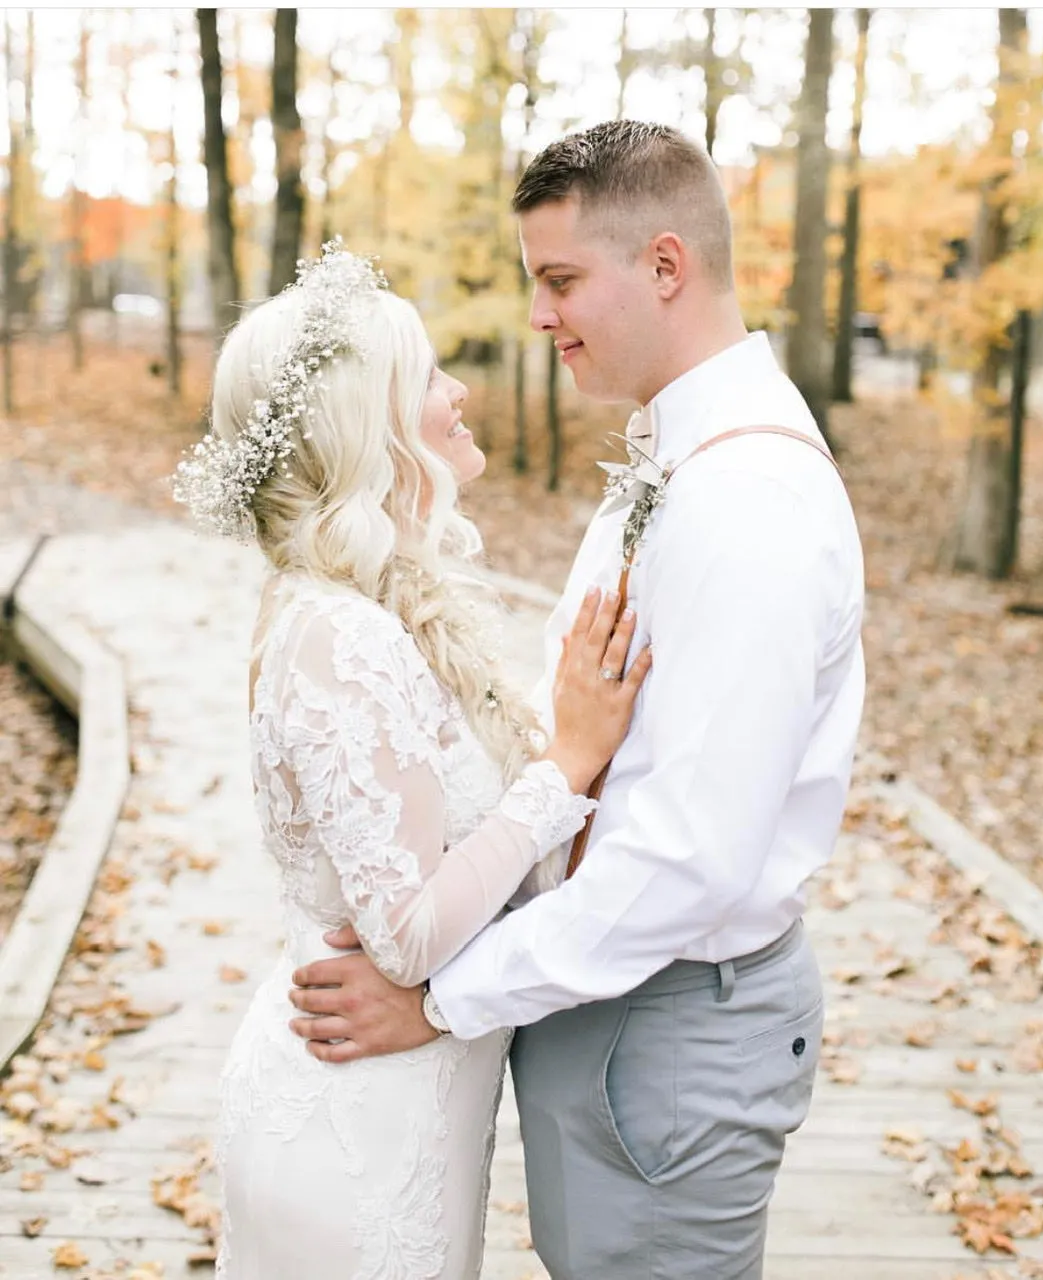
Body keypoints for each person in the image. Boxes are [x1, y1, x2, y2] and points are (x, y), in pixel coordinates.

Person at [291, 121, 866, 1278]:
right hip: (608, 1006)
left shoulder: (746, 502)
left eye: (559, 281)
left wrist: (444, 999)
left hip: (669, 1024)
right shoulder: (680, 462)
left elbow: (689, 858)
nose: (540, 316)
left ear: (665, 265)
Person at [172, 243, 651, 1279]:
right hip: (353, 1121)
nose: (459, 391)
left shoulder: (369, 612)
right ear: (369, 420)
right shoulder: (338, 633)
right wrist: (565, 766)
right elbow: (405, 933)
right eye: (429, 376)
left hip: (406, 1112)